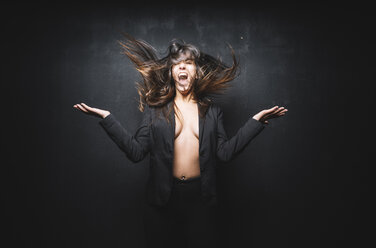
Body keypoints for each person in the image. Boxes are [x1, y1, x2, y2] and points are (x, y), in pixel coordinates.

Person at [73, 33, 287, 248]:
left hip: (201, 200)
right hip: (161, 202)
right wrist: (107, 118)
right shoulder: (155, 110)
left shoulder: (211, 112)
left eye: (188, 63)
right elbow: (136, 152)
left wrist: (255, 122)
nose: (183, 68)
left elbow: (225, 153)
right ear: (171, 72)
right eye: (177, 65)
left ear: (196, 71)